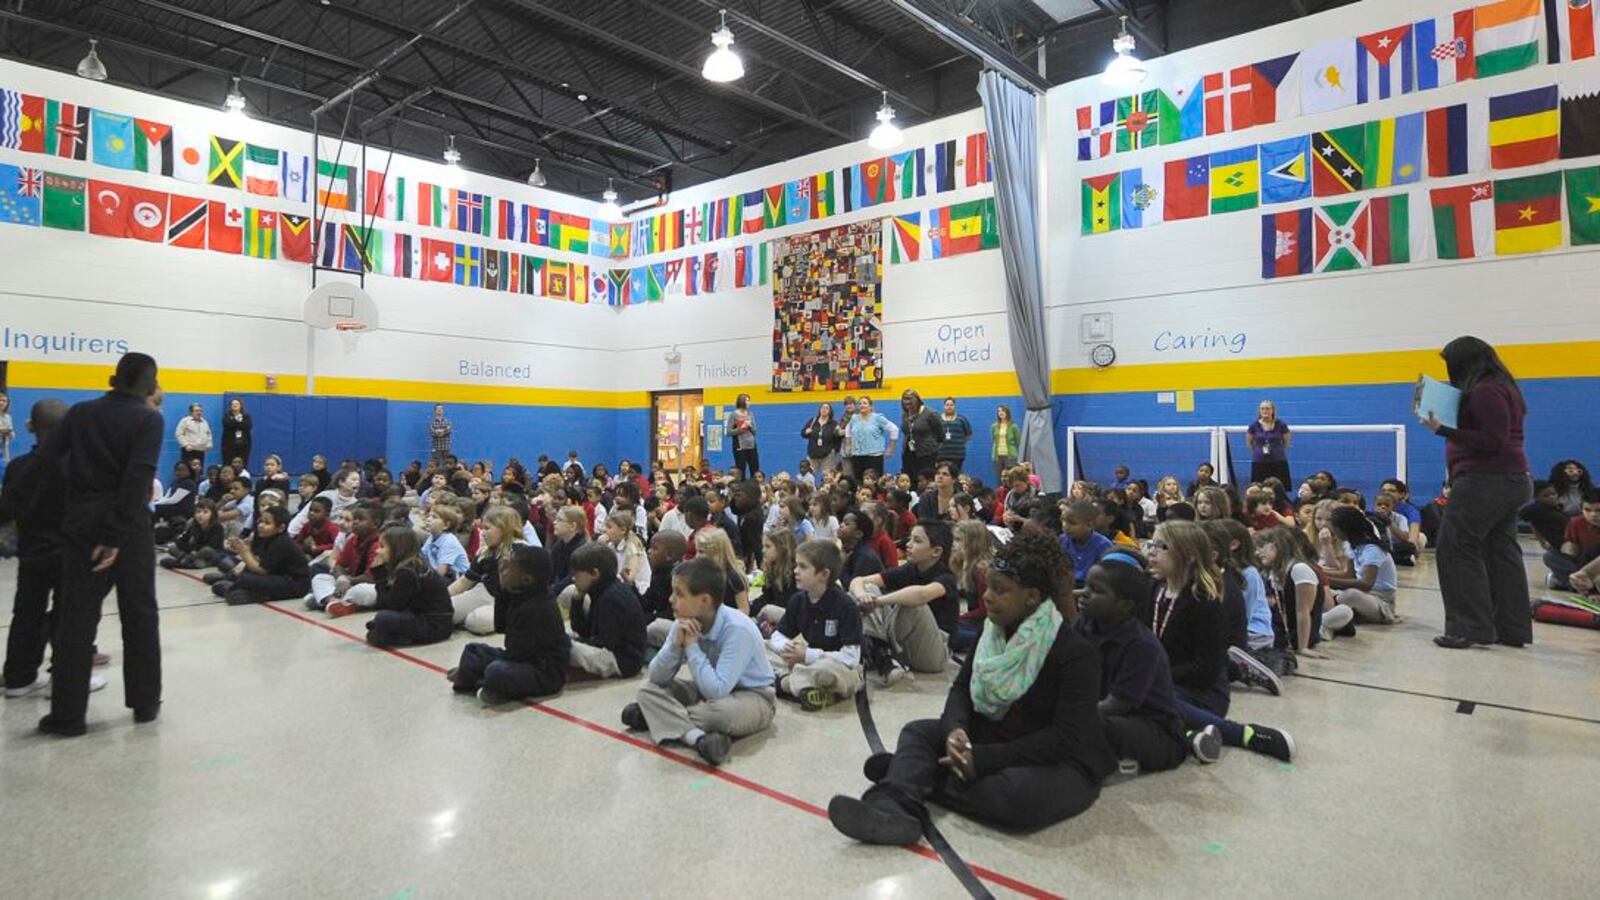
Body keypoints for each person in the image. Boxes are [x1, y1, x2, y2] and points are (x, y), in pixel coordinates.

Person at [827, 529, 1115, 843]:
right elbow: (962, 689)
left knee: (1016, 797)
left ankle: (910, 776)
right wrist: (955, 729)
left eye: (1000, 590)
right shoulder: (992, 631)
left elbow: (1065, 738)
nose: (987, 596)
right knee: (918, 731)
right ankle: (891, 808)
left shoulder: (1075, 653)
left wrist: (985, 759)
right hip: (993, 734)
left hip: (1055, 760)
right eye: (988, 586)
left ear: (1032, 597)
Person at [30, 353, 164, 736]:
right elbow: (137, 477)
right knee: (139, 614)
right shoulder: (148, 419)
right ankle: (144, 702)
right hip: (129, 527)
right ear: (149, 384)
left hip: (82, 521)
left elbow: (47, 460)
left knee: (76, 618)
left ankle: (68, 716)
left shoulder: (81, 413)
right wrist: (116, 535)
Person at [1420, 337, 1534, 649]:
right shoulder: (1503, 386)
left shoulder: (1485, 390)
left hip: (1485, 480)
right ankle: (1512, 629)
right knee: (1501, 553)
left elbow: (1493, 440)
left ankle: (1469, 628)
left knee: (1455, 549)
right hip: (1509, 480)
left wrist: (1441, 428)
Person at [1148, 521, 1294, 763]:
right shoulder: (1154, 589)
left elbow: (1205, 670)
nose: (1151, 552)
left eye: (1162, 546)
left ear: (1189, 556)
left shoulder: (1205, 601)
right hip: (1164, 683)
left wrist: (1154, 675)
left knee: (1145, 697)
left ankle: (1243, 734)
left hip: (1200, 692)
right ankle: (1191, 737)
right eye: (1151, 544)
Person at [620, 557, 777, 766]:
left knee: (715, 714)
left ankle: (658, 717)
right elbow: (656, 676)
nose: (671, 599)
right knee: (646, 691)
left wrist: (692, 646)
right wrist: (675, 647)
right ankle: (698, 739)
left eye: (679, 594)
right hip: (706, 690)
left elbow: (717, 690)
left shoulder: (738, 629)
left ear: (704, 600)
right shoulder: (683, 620)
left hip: (754, 698)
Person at [1077, 553, 1189, 776]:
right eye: (1087, 586)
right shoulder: (1085, 624)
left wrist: (1067, 712)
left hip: (1155, 732)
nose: (1085, 594)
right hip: (1114, 717)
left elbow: (1117, 705)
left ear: (1125, 606)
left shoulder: (1140, 645)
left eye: (1097, 591)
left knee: (1090, 724)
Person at [2, 399, 77, 698]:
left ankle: (18, 678)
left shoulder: (18, 467)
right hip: (69, 552)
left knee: (26, 613)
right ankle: (66, 678)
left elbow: (5, 510)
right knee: (68, 616)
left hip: (32, 553)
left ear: (30, 427)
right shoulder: (77, 467)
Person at [448, 545, 569, 704]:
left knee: (496, 670)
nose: (504, 571)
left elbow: (516, 653)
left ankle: (486, 684)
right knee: (473, 650)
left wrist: (485, 667)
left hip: (543, 671)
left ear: (526, 579)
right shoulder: (519, 591)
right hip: (519, 657)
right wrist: (502, 589)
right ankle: (478, 681)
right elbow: (501, 627)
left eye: (509, 569)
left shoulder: (540, 607)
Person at [848, 520, 957, 682]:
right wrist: (863, 596)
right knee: (868, 590)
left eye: (917, 541)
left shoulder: (946, 578)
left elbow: (921, 595)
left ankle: (879, 651)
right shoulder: (910, 568)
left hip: (933, 654)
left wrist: (877, 602)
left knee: (914, 604)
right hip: (905, 645)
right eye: (910, 538)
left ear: (936, 551)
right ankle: (884, 654)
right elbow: (858, 581)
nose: (909, 544)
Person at [767, 539, 863, 711]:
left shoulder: (846, 606)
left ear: (824, 575)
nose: (795, 571)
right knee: (762, 646)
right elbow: (778, 635)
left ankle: (783, 684)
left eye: (803, 567)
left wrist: (808, 655)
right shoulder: (798, 600)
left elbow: (851, 658)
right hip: (805, 664)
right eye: (796, 565)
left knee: (828, 672)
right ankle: (810, 689)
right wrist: (787, 648)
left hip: (836, 666)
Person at [566, 541, 648, 679]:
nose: (574, 579)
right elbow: (583, 631)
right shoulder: (600, 590)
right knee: (567, 641)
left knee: (568, 648)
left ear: (594, 573)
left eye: (577, 574)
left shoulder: (611, 599)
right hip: (610, 651)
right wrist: (577, 600)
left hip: (623, 660)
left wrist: (575, 642)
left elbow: (604, 643)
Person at [364, 525, 455, 648]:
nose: (377, 551)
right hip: (425, 617)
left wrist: (380, 575)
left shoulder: (407, 572)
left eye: (382, 547)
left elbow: (388, 605)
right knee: (380, 622)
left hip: (434, 626)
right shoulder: (411, 565)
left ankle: (401, 637)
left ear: (397, 549)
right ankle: (395, 633)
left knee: (382, 618)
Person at [208, 506, 311, 605]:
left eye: (267, 523)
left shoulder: (282, 542)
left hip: (295, 584)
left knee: (245, 579)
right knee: (243, 573)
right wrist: (241, 549)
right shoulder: (264, 537)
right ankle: (236, 587)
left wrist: (244, 552)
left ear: (281, 528)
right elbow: (256, 559)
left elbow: (262, 570)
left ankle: (251, 593)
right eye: (260, 521)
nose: (261, 525)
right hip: (276, 576)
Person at [1542, 491, 1600, 591]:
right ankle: (1582, 583)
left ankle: (1564, 582)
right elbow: (1573, 550)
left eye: (1598, 510)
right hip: (1585, 560)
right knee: (1550, 556)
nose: (1593, 515)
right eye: (1587, 510)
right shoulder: (1576, 522)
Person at [1060, 501, 1112, 585]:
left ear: (1089, 525)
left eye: (1072, 523)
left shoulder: (1103, 545)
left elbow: (1105, 581)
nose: (1065, 526)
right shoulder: (1062, 540)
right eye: (1063, 521)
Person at [1246, 400, 1292, 487]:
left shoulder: (1281, 424)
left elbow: (1286, 443)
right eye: (1262, 408)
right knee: (1259, 487)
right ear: (1259, 411)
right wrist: (1259, 451)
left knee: (1279, 487)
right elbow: (1249, 443)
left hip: (1278, 461)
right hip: (1259, 462)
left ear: (1273, 410)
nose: (1265, 411)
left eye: (1267, 408)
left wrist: (1276, 450)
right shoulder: (1253, 425)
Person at [846, 396, 895, 479]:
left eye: (865, 403)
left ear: (870, 406)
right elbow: (848, 430)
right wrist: (849, 445)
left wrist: (890, 449)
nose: (862, 405)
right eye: (860, 403)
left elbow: (894, 430)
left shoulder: (878, 418)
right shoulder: (854, 418)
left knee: (874, 481)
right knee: (859, 481)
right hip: (857, 456)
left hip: (874, 457)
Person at [899, 390, 944, 477]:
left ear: (917, 400)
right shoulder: (905, 415)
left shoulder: (930, 414)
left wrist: (936, 451)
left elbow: (941, 434)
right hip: (908, 454)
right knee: (910, 478)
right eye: (904, 400)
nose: (906, 402)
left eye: (909, 399)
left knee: (925, 479)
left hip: (927, 454)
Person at [801, 402, 843, 475]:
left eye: (827, 408)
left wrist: (834, 450)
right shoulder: (812, 421)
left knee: (827, 476)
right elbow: (803, 433)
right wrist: (805, 432)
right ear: (819, 410)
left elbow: (838, 439)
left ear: (830, 411)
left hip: (828, 456)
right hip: (812, 455)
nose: (824, 409)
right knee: (807, 476)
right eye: (822, 407)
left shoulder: (834, 424)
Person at [727, 394, 760, 480]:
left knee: (755, 468)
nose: (749, 403)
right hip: (739, 446)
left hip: (751, 445)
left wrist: (750, 426)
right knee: (741, 470)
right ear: (742, 401)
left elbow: (755, 432)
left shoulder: (750, 414)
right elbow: (728, 432)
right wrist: (741, 428)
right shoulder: (733, 415)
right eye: (747, 400)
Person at [175, 402, 212, 471]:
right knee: (188, 470)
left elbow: (208, 434)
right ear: (191, 412)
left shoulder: (204, 422)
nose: (199, 413)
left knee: (198, 471)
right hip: (189, 451)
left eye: (201, 411)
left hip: (201, 451)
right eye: (197, 411)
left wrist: (209, 444)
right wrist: (185, 445)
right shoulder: (185, 421)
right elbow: (179, 434)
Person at [990, 405, 1019, 488]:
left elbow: (1018, 441)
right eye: (999, 411)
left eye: (1002, 411)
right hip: (997, 456)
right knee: (999, 479)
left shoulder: (1014, 426)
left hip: (1010, 456)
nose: (1000, 413)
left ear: (1007, 413)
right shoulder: (994, 426)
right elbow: (993, 440)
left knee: (1011, 477)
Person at [220, 398, 252, 473]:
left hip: (243, 445)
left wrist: (235, 423)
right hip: (229, 445)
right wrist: (239, 423)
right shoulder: (226, 416)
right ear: (230, 406)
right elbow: (228, 424)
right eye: (233, 404)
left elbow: (248, 426)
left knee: (242, 462)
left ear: (241, 406)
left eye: (237, 403)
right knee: (228, 463)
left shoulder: (246, 416)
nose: (235, 405)